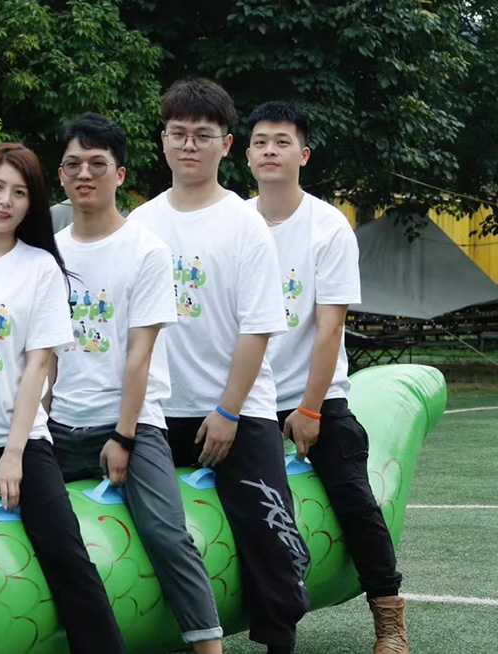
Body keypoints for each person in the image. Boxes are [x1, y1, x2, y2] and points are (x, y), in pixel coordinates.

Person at [128, 79, 310, 654]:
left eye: (203, 135)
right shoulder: (139, 224)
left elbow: (259, 328)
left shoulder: (244, 223)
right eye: (178, 133)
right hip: (158, 411)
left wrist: (229, 412)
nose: (189, 145)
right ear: (162, 140)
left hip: (237, 408)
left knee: (270, 536)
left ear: (226, 145)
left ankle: (278, 639)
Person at [0, 142, 126, 653]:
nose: (5, 201)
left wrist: (13, 453)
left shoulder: (40, 267)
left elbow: (38, 367)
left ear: (31, 204)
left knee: (66, 553)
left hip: (17, 437)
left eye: (19, 193)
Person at [47, 114, 224, 653]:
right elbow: (44, 356)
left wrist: (123, 436)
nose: (85, 174)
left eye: (97, 164)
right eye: (73, 164)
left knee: (167, 534)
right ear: (60, 175)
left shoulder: (146, 250)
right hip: (58, 426)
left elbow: (140, 355)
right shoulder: (49, 252)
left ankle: (208, 645)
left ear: (120, 174)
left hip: (131, 424)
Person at [246, 100, 407, 654]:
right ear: (246, 156)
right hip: (244, 396)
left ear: (304, 155)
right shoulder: (234, 221)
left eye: (282, 142)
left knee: (353, 498)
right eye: (260, 142)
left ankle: (388, 617)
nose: (270, 150)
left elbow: (330, 326)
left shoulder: (327, 226)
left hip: (315, 393)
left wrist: (311, 408)